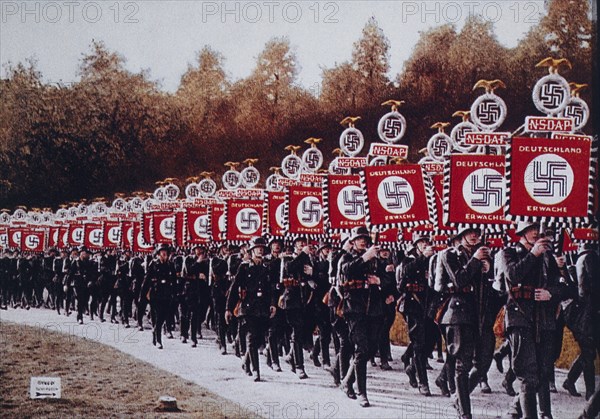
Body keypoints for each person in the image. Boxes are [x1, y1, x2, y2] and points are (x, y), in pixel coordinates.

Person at [501, 221, 565, 419]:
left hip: (544, 320)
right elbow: (512, 275)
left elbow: (566, 287)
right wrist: (533, 255)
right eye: (532, 229)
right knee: (528, 375)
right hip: (520, 319)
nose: (537, 232)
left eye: (539, 229)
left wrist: (550, 293)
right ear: (523, 232)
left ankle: (540, 413)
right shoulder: (509, 253)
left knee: (544, 372)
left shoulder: (548, 257)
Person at [435, 227, 490, 419]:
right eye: (469, 231)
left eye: (476, 231)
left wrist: (486, 270)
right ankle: (465, 412)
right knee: (462, 364)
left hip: (477, 314)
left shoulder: (482, 255)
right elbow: (459, 280)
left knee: (483, 361)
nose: (474, 235)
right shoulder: (450, 254)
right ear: (460, 235)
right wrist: (475, 261)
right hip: (458, 314)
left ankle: (458, 397)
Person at [339, 226, 387, 407]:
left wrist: (380, 281)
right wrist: (365, 257)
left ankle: (347, 380)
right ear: (352, 241)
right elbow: (347, 271)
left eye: (365, 238)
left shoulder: (375, 258)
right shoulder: (347, 257)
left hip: (373, 308)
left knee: (370, 348)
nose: (363, 241)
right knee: (362, 347)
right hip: (354, 308)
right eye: (359, 238)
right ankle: (362, 392)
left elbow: (390, 278)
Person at [225, 237, 275, 382]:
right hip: (248, 308)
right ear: (252, 251)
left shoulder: (266, 268)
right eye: (257, 248)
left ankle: (246, 362)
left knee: (259, 338)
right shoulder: (244, 267)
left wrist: (272, 304)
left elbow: (270, 288)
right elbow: (234, 288)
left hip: (263, 308)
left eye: (262, 248)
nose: (260, 250)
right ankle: (256, 371)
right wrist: (228, 308)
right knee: (251, 338)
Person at [398, 234, 436, 396]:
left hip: (430, 304)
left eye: (427, 242)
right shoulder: (409, 259)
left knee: (431, 339)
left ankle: (410, 364)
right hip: (413, 305)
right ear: (416, 245)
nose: (425, 245)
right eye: (422, 242)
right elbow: (405, 273)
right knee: (419, 342)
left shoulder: (433, 259)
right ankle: (423, 381)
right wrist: (422, 258)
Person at [564, 243, 600, 400]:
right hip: (590, 313)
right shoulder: (591, 258)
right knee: (589, 351)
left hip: (584, 312)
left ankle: (571, 380)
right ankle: (591, 393)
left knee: (589, 351)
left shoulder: (582, 257)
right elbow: (593, 287)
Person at [142, 244, 176, 349]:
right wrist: (143, 295)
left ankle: (155, 330)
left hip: (167, 294)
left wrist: (175, 293)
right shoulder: (154, 264)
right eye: (162, 252)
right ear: (159, 253)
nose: (164, 254)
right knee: (158, 315)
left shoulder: (170, 265)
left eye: (166, 252)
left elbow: (174, 280)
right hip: (155, 294)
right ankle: (158, 340)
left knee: (163, 316)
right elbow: (147, 280)